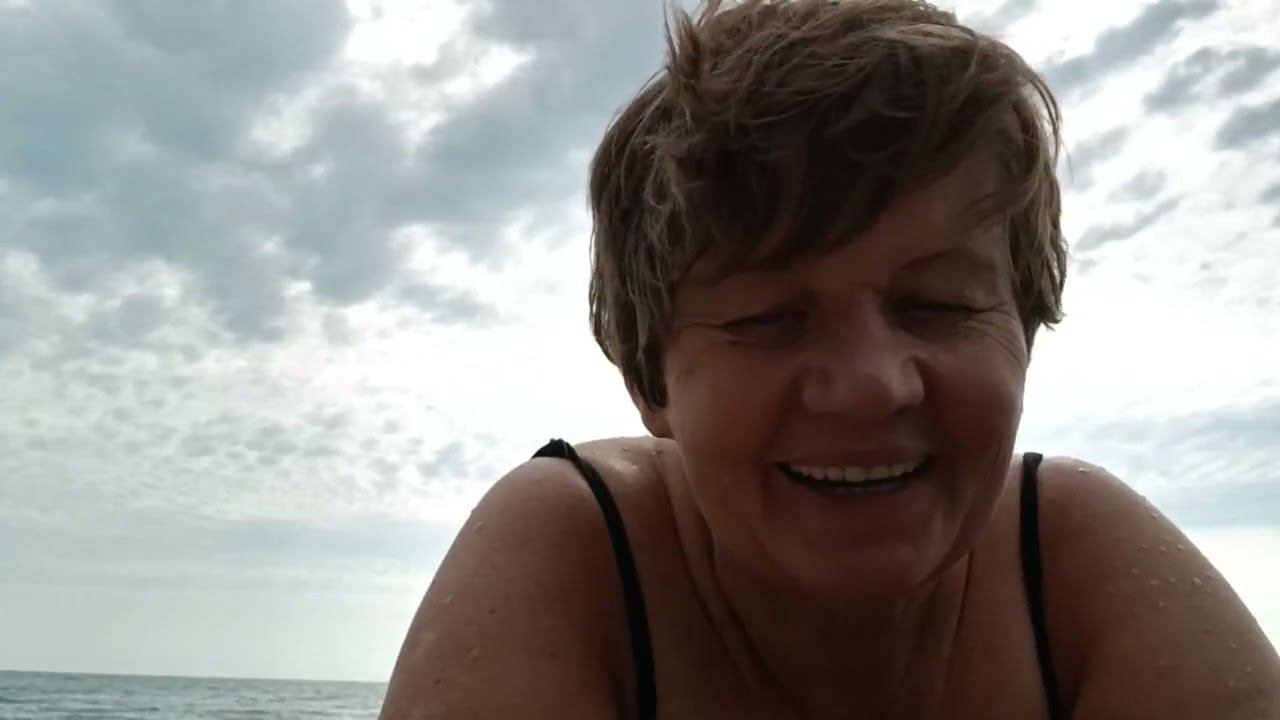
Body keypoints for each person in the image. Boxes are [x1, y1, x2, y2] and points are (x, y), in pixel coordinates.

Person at [380, 1, 1280, 717]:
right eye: (769, 318)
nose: (870, 387)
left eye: (938, 306)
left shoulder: (1077, 559)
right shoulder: (576, 549)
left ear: (1026, 331)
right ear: (651, 381)